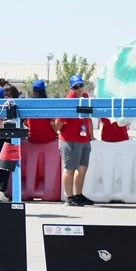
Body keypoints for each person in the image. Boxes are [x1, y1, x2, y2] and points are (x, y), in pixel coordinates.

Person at [55, 73, 94, 206]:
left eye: (80, 86)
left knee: (82, 168)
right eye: (76, 87)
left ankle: (78, 194)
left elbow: (88, 118)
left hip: (84, 139)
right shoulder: (68, 100)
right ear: (71, 88)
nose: (79, 89)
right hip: (70, 139)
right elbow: (58, 122)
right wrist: (64, 134)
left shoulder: (85, 96)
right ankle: (69, 196)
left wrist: (91, 135)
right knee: (70, 168)